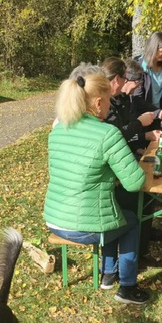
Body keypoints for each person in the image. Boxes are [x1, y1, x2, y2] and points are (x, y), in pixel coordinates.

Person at [44, 72, 150, 305]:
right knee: (130, 221)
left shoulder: (58, 130)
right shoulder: (108, 133)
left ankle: (109, 273)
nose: (111, 105)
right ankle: (127, 287)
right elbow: (134, 183)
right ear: (99, 102)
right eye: (110, 100)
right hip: (83, 227)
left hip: (55, 219)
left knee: (112, 216)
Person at [101, 57, 162, 265]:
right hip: (113, 169)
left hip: (123, 160)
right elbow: (117, 135)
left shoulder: (122, 99)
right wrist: (139, 124)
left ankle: (142, 243)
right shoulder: (105, 104)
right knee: (139, 197)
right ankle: (135, 252)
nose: (137, 86)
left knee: (148, 194)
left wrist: (139, 141)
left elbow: (125, 135)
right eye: (134, 81)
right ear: (119, 79)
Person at [136, 31, 162, 113]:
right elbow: (137, 98)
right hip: (142, 114)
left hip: (158, 113)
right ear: (153, 49)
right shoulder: (140, 67)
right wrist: (156, 112)